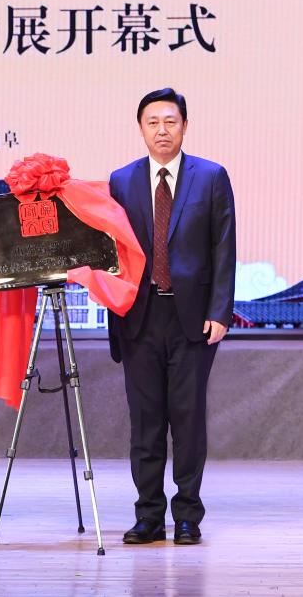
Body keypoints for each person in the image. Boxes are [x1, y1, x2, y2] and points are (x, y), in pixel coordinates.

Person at [108, 88, 236, 546]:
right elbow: (111, 248)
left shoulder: (211, 177)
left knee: (187, 421)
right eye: (153, 122)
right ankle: (147, 515)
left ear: (184, 125)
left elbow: (224, 247)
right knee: (145, 423)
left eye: (170, 121)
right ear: (141, 128)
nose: (162, 130)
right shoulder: (121, 181)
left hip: (192, 320)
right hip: (139, 318)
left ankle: (187, 516)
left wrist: (220, 311)